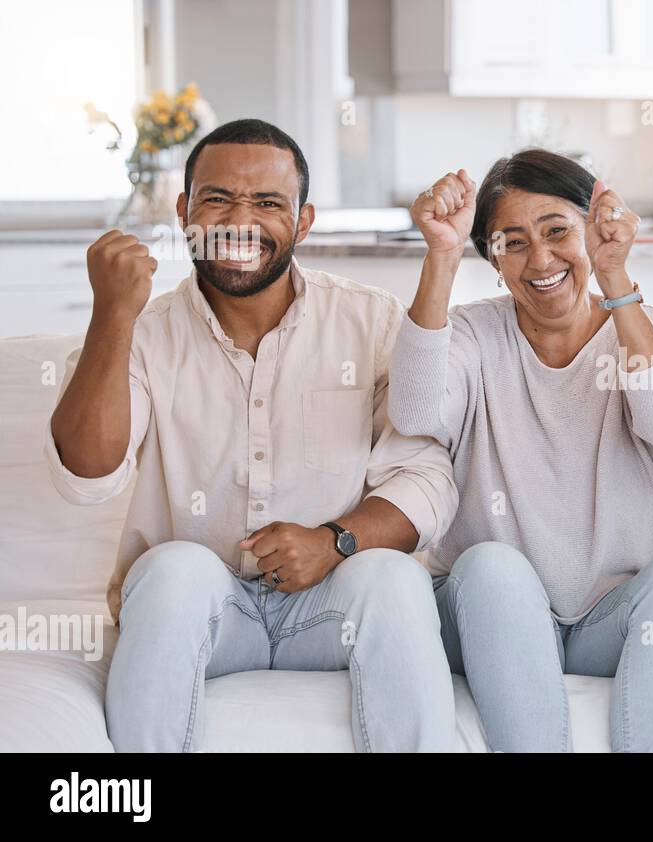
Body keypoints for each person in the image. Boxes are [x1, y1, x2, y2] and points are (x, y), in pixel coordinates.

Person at [47, 118, 459, 752]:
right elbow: (87, 475)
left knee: (396, 580)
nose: (241, 221)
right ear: (184, 211)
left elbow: (427, 479)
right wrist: (112, 314)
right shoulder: (142, 332)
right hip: (201, 614)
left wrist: (333, 541)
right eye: (217, 199)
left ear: (303, 221)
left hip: (330, 609)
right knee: (174, 570)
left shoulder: (369, 321)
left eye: (268, 203)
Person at [387, 149, 653, 752]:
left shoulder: (648, 328)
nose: (540, 260)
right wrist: (440, 256)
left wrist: (616, 277)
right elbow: (413, 411)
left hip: (607, 623)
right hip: (488, 617)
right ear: (490, 257)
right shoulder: (469, 333)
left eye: (558, 232)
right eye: (511, 243)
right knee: (492, 567)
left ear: (593, 229)